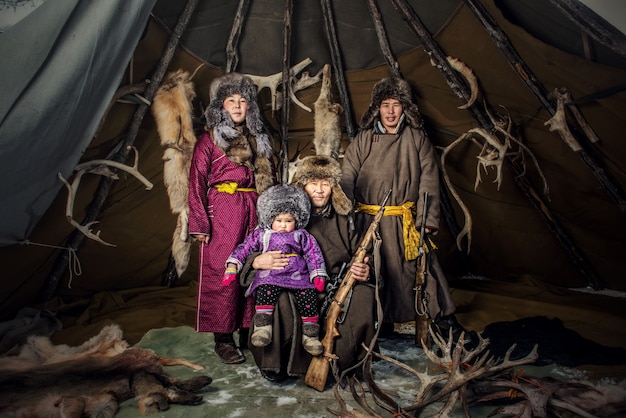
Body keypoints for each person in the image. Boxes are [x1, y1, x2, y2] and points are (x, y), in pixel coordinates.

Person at [340, 76, 466, 342]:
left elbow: (429, 180)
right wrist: (344, 210)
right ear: (377, 108)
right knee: (376, 270)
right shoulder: (364, 139)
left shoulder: (417, 138)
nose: (390, 111)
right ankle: (382, 322)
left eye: (396, 104)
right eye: (385, 104)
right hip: (369, 222)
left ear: (405, 108)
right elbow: (348, 175)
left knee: (419, 268)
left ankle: (443, 319)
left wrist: (427, 218)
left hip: (404, 221)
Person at [241, 155, 377, 382]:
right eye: (314, 183)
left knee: (364, 295)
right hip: (291, 282)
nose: (320, 190)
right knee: (276, 296)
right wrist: (257, 261)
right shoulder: (281, 216)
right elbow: (251, 246)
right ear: (302, 185)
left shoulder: (345, 220)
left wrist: (365, 269)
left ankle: (342, 365)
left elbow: (363, 253)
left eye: (326, 184)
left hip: (335, 285)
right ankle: (276, 364)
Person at [188, 72, 276, 364]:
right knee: (224, 271)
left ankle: (249, 333)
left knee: (254, 269)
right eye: (230, 101)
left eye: (243, 101)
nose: (237, 106)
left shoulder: (260, 139)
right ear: (221, 106)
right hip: (223, 209)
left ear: (250, 106)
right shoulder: (209, 141)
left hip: (255, 207)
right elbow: (196, 182)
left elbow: (271, 178)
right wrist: (200, 224)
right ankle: (223, 339)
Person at [223, 184, 328, 356]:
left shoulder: (302, 235)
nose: (283, 225)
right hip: (270, 274)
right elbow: (244, 249)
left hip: (298, 275)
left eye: (289, 221)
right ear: (270, 219)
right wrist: (232, 266)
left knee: (308, 296)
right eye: (279, 221)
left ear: (297, 219)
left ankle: (310, 335)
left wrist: (317, 275)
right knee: (265, 290)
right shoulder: (261, 234)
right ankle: (263, 328)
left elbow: (313, 254)